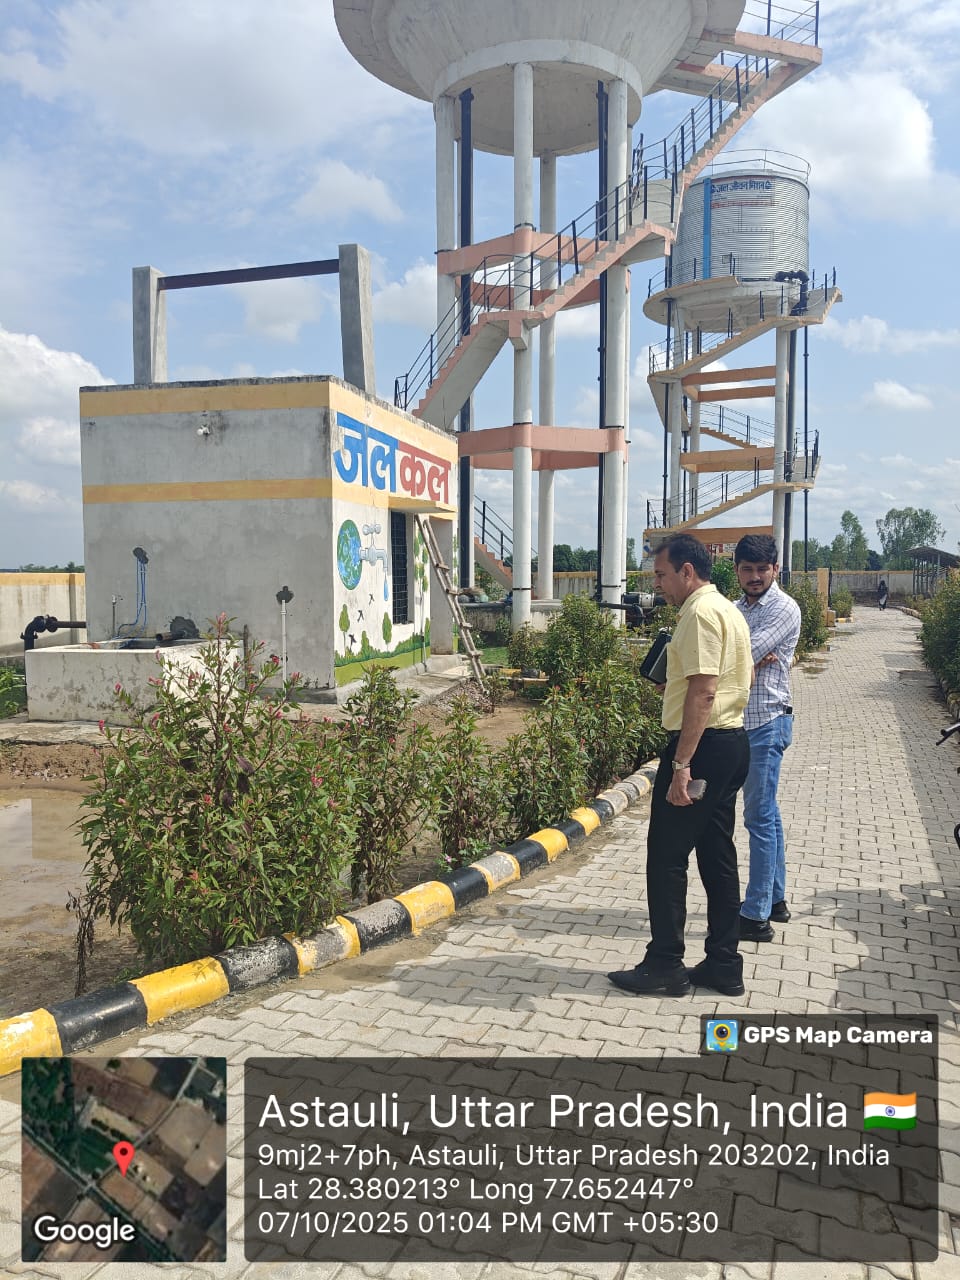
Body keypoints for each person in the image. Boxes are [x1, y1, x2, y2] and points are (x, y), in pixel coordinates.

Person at [608, 534, 753, 998]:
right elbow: (733, 678)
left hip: (703, 749)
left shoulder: (698, 613)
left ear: (687, 572)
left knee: (666, 857)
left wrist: (682, 763)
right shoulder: (728, 609)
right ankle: (724, 964)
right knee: (717, 855)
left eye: (661, 574)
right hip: (731, 743)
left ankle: (665, 964)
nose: (657, 584)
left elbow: (705, 692)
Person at [734, 535, 802, 944]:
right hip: (741, 723)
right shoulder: (736, 608)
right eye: (748, 569)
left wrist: (747, 658)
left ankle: (755, 916)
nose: (755, 576)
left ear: (775, 569)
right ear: (738, 570)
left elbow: (738, 653)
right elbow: (737, 653)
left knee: (757, 818)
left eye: (763, 569)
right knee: (768, 815)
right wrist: (748, 659)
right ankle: (775, 900)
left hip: (767, 723)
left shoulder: (784, 608)